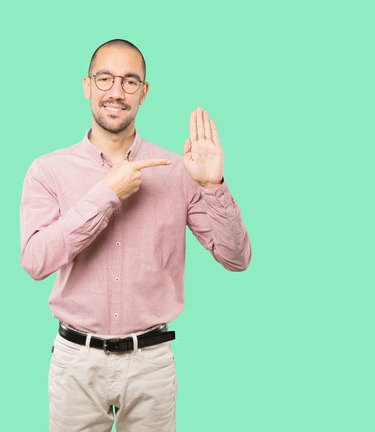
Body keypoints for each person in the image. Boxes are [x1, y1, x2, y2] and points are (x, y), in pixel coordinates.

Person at [19, 38, 251, 431]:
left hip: (151, 363)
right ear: (87, 85)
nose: (116, 91)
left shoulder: (179, 170)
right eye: (105, 78)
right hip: (76, 362)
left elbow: (236, 258)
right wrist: (107, 194)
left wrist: (213, 186)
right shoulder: (48, 170)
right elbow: (36, 261)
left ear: (144, 93)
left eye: (129, 81)